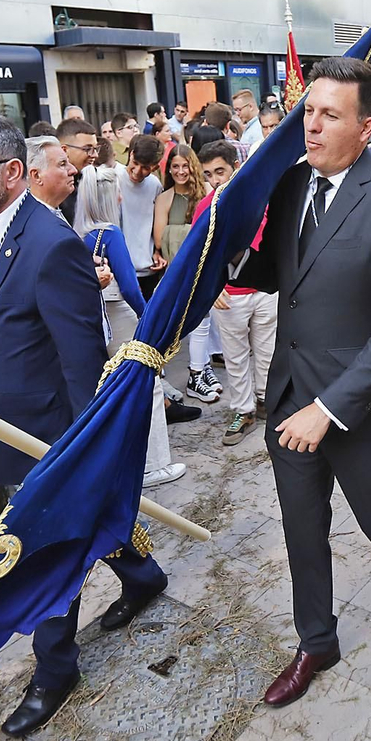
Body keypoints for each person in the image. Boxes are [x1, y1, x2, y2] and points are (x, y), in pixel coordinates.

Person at [227, 56, 371, 707]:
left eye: (329, 115)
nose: (311, 126)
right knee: (301, 527)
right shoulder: (293, 183)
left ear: (366, 127)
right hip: (289, 392)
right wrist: (224, 247)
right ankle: (316, 641)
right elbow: (276, 273)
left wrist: (327, 409)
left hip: (356, 405)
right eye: (308, 112)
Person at [0, 114, 169, 737]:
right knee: (87, 523)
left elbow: (81, 360)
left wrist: (82, 452)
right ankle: (144, 576)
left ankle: (54, 670)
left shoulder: (52, 246)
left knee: (43, 550)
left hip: (48, 437)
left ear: (12, 171)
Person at [74, 163, 189, 486]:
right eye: (117, 194)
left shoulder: (78, 233)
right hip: (119, 316)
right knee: (147, 385)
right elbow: (128, 286)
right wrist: (150, 317)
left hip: (98, 318)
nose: (121, 199)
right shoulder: (109, 233)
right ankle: (154, 465)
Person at [195, 141, 278, 446]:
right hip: (229, 295)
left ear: (236, 167)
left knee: (268, 352)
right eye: (208, 174)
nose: (215, 180)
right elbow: (198, 254)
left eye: (220, 171)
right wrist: (211, 287)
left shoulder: (260, 200)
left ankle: (266, 400)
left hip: (266, 290)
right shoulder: (205, 208)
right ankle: (244, 411)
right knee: (235, 357)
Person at [154, 143, 223, 404]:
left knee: (206, 321)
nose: (180, 171)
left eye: (185, 166)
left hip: (205, 266)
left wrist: (183, 232)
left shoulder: (205, 191)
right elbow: (159, 238)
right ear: (169, 169)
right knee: (194, 322)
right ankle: (196, 374)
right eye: (175, 166)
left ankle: (202, 368)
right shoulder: (165, 198)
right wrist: (194, 232)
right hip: (179, 269)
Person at [122, 134, 167, 302]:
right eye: (135, 163)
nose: (137, 171)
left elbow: (155, 223)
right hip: (119, 269)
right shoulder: (112, 178)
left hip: (147, 269)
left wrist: (156, 251)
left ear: (155, 167)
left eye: (145, 168)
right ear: (130, 154)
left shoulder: (155, 186)